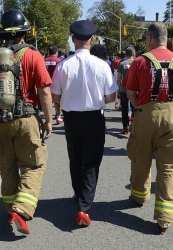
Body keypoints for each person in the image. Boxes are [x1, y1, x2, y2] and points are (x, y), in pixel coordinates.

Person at [0, 9, 53, 235]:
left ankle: (10, 207)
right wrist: (49, 120)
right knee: (33, 165)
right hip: (27, 119)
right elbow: (45, 91)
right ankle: (22, 209)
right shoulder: (33, 55)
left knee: (7, 167)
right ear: (24, 34)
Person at [51, 20, 118, 227]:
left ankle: (78, 194)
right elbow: (111, 96)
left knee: (75, 157)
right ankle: (84, 206)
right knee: (91, 162)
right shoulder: (102, 66)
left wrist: (71, 99)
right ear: (92, 39)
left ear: (73, 40)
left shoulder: (63, 66)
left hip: (71, 118)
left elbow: (55, 96)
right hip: (94, 117)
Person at [125, 22, 173, 233]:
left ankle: (139, 196)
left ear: (152, 37)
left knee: (140, 159)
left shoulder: (140, 61)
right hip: (172, 115)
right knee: (168, 167)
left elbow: (130, 92)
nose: (145, 42)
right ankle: (164, 218)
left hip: (146, 115)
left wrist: (139, 108)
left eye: (146, 38)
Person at [117, 46, 135, 134]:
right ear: (134, 54)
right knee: (135, 108)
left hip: (124, 90)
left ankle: (125, 127)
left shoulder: (122, 64)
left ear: (126, 54)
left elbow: (119, 79)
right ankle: (134, 126)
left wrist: (119, 90)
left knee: (124, 109)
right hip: (135, 90)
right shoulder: (137, 63)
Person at [45, 45, 63, 124]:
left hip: (45, 84)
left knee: (47, 101)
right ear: (56, 52)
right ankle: (58, 117)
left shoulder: (43, 60)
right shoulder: (59, 61)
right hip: (56, 83)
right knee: (57, 102)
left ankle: (47, 118)